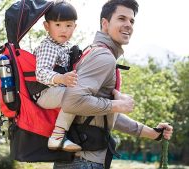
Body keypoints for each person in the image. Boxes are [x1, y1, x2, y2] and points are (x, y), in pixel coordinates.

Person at [53, 0, 174, 168]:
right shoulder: (103, 56)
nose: (128, 25)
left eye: (131, 21)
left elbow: (103, 115)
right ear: (105, 23)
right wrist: (116, 105)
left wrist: (154, 134)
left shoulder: (94, 51)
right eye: (122, 18)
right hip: (83, 162)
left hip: (78, 159)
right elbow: (72, 102)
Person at [33, 0, 81, 152]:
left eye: (68, 25)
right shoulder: (49, 47)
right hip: (44, 93)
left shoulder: (66, 46)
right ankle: (57, 137)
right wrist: (61, 78)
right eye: (58, 25)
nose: (64, 30)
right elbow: (41, 73)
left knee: (80, 93)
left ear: (74, 27)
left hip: (55, 92)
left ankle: (64, 136)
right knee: (76, 95)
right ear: (47, 26)